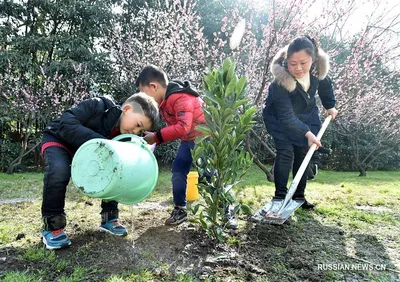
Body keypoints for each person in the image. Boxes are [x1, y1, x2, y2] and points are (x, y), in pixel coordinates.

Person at [41, 92, 159, 249]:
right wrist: (100, 141)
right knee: (59, 170)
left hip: (90, 150)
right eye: (138, 125)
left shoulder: (124, 136)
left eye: (141, 131)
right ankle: (53, 226)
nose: (136, 132)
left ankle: (109, 218)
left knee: (117, 169)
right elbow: (66, 122)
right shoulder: (99, 105)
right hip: (59, 140)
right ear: (127, 109)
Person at [136, 65, 238, 228]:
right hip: (189, 140)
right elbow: (179, 129)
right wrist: (154, 137)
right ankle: (180, 209)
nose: (144, 98)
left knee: (208, 175)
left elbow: (183, 126)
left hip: (204, 139)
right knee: (178, 169)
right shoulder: (166, 102)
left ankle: (227, 211)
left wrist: (156, 137)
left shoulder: (180, 97)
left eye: (144, 93)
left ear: (154, 86)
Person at [263, 36, 338, 209]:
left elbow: (326, 87)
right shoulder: (280, 83)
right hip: (280, 121)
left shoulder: (318, 74)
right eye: (292, 63)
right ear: (286, 61)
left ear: (313, 59)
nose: (298, 68)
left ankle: (298, 197)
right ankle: (280, 197)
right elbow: (286, 117)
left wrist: (330, 106)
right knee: (286, 152)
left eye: (303, 63)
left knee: (304, 154)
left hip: (306, 118)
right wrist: (308, 133)